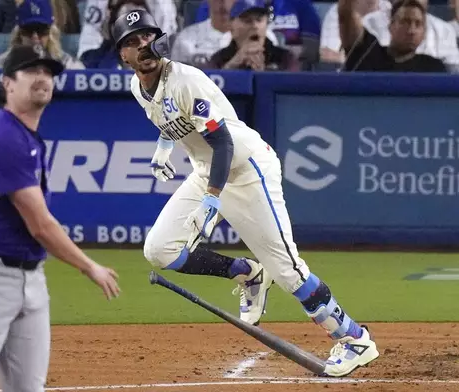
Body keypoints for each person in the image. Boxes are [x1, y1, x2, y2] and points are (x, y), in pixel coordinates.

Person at [111, 9, 379, 377]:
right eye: (131, 41)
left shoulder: (186, 79)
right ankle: (247, 273)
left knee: (288, 271)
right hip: (208, 171)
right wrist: (165, 146)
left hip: (246, 169)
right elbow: (170, 117)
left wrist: (212, 198)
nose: (141, 44)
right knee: (159, 250)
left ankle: (355, 339)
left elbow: (221, 141)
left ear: (158, 38)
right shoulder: (138, 87)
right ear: (122, 56)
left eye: (145, 36)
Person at [0, 45, 120, 392]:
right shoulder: (3, 137)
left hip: (30, 280)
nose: (42, 78)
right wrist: (90, 266)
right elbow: (41, 225)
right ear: (7, 83)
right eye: (32, 71)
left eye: (47, 73)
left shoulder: (25, 138)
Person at [339, 0, 447, 72]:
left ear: (424, 33)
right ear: (391, 26)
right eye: (405, 22)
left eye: (418, 24)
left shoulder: (433, 67)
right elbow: (346, 15)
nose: (412, 30)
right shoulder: (367, 51)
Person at [0, 0, 84, 69]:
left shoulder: (69, 66)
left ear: (51, 32)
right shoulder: (0, 66)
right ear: (19, 32)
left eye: (41, 30)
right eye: (28, 30)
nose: (35, 37)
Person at [207, 0, 299, 71]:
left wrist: (264, 74)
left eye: (259, 20)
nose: (255, 26)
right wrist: (230, 67)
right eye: (247, 21)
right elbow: (208, 90)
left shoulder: (285, 58)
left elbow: (293, 89)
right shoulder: (218, 59)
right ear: (232, 27)